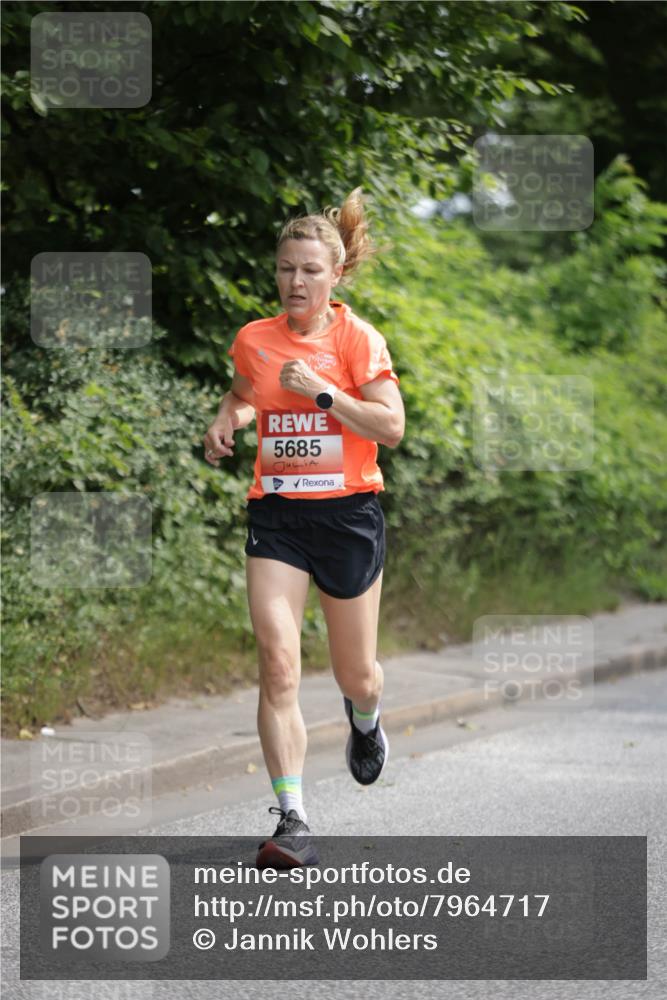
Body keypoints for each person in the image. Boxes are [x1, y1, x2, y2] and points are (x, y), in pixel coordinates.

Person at [203, 188, 405, 868]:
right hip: (279, 516)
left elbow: (391, 426)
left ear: (335, 274)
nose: (296, 281)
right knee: (278, 663)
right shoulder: (254, 339)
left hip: (347, 516)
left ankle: (365, 719)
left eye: (310, 270)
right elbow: (245, 393)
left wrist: (323, 392)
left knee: (358, 674)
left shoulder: (357, 339)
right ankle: (292, 818)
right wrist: (227, 418)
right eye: (286, 268)